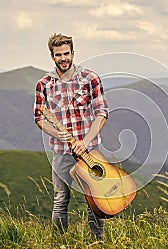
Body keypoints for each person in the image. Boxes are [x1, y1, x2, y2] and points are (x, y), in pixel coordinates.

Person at [33, 33, 109, 240]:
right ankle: (59, 242)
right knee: (60, 199)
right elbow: (39, 118)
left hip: (89, 151)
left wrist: (84, 143)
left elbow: (102, 114)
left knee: (93, 199)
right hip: (61, 153)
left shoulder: (90, 79)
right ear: (52, 56)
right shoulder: (44, 84)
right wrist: (55, 133)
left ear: (73, 53)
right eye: (58, 55)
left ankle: (97, 242)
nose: (63, 58)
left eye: (66, 53)